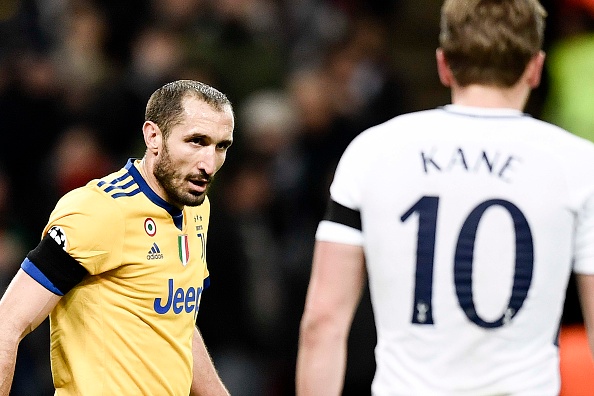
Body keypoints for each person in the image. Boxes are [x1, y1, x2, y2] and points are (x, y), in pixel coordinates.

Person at [296, 0, 594, 395]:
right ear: (536, 68)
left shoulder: (373, 150)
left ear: (443, 64)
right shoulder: (578, 164)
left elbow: (323, 322)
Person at [0, 79, 234, 396]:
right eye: (196, 141)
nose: (209, 163)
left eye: (221, 146)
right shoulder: (101, 211)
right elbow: (8, 322)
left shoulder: (197, 209)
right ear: (153, 136)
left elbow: (175, 323)